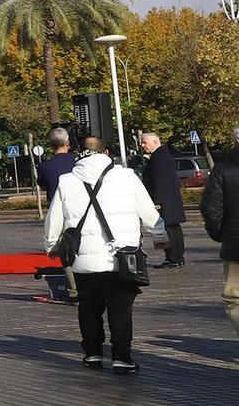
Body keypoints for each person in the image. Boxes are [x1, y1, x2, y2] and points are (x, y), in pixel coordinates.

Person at [44, 143, 160, 372]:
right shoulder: (127, 177)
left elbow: (54, 218)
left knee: (88, 307)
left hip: (84, 260)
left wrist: (50, 245)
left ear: (81, 154)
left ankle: (93, 354)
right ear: (106, 152)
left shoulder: (67, 181)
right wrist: (161, 235)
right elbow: (148, 212)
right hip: (122, 259)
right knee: (121, 310)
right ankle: (122, 358)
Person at [203, 126, 239, 334]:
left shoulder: (222, 170)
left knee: (235, 298)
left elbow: (211, 207)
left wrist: (221, 233)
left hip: (235, 244)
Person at [137, 132, 186, 268]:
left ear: (155, 142)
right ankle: (175, 258)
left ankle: (174, 258)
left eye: (144, 142)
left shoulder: (159, 157)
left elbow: (159, 180)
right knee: (173, 228)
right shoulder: (161, 155)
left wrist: (157, 201)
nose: (142, 145)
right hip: (168, 199)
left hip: (164, 200)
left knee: (170, 229)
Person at [38, 127, 76, 203]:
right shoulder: (78, 162)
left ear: (51, 144)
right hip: (77, 208)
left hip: (55, 210)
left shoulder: (44, 167)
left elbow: (43, 186)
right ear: (67, 142)